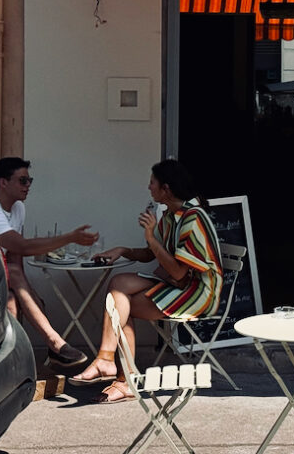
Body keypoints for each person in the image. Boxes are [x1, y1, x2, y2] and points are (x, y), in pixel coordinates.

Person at [70, 159, 223, 404]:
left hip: (197, 294)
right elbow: (151, 255)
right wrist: (121, 250)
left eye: (152, 183)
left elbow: (179, 273)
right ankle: (109, 362)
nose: (148, 187)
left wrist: (151, 237)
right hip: (179, 285)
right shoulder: (172, 216)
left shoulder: (193, 219)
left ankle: (122, 377)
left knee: (121, 305)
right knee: (119, 287)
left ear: (166, 189)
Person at [0, 157, 99, 369]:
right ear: (3, 182)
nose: (28, 186)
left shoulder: (18, 208)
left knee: (13, 301)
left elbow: (15, 257)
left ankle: (13, 364)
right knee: (14, 278)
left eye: (30, 181)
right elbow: (22, 247)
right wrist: (69, 238)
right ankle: (55, 343)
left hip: (5, 276)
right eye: (22, 181)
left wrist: (27, 292)